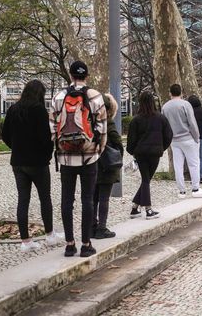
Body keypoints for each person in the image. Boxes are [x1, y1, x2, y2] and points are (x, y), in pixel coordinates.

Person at [52, 60, 107, 258]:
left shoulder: (59, 97)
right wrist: (97, 148)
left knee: (66, 200)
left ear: (71, 74)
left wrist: (59, 145)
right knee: (88, 200)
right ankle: (86, 244)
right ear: (87, 76)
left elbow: (52, 125)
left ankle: (69, 244)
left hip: (65, 158)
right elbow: (102, 127)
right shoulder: (95, 96)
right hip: (89, 157)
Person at [2, 79, 63, 252]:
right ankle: (50, 235)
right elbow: (45, 138)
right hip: (37, 163)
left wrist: (17, 148)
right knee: (45, 198)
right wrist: (46, 155)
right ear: (40, 94)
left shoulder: (13, 110)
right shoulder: (39, 110)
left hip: (18, 162)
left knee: (23, 200)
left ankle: (26, 241)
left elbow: (5, 135)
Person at [127, 91, 173, 219]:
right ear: (153, 102)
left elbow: (131, 140)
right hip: (155, 153)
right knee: (146, 180)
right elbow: (169, 135)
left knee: (145, 180)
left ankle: (135, 208)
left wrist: (133, 152)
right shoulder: (161, 118)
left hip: (141, 153)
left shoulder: (136, 120)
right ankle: (148, 209)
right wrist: (161, 148)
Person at [162, 84, 202, 198]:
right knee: (194, 163)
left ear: (170, 93)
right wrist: (196, 137)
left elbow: (164, 125)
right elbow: (192, 123)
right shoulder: (186, 104)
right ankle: (195, 189)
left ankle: (181, 191)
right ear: (181, 92)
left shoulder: (165, 107)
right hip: (188, 138)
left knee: (178, 165)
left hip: (174, 140)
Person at [92, 93, 123, 239]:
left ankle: (91, 227)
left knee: (93, 197)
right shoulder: (108, 122)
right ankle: (101, 228)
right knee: (104, 198)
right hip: (107, 165)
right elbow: (117, 142)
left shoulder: (89, 121)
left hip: (92, 163)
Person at [187, 95, 202, 184]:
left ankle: (194, 178)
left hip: (192, 138)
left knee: (194, 158)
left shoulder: (190, 111)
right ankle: (201, 176)